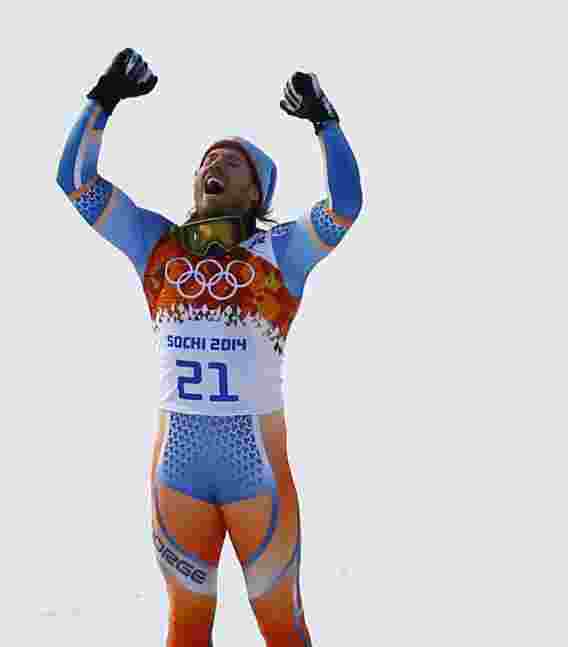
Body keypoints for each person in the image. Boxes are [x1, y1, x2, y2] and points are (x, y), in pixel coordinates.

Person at [57, 48, 363, 646]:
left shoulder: (283, 252)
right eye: (206, 160)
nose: (213, 164)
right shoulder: (156, 245)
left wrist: (325, 122)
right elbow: (76, 183)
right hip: (178, 469)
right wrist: (103, 97)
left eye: (232, 161)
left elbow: (345, 207)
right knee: (186, 627)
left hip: (258, 471)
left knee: (282, 627)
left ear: (256, 194)